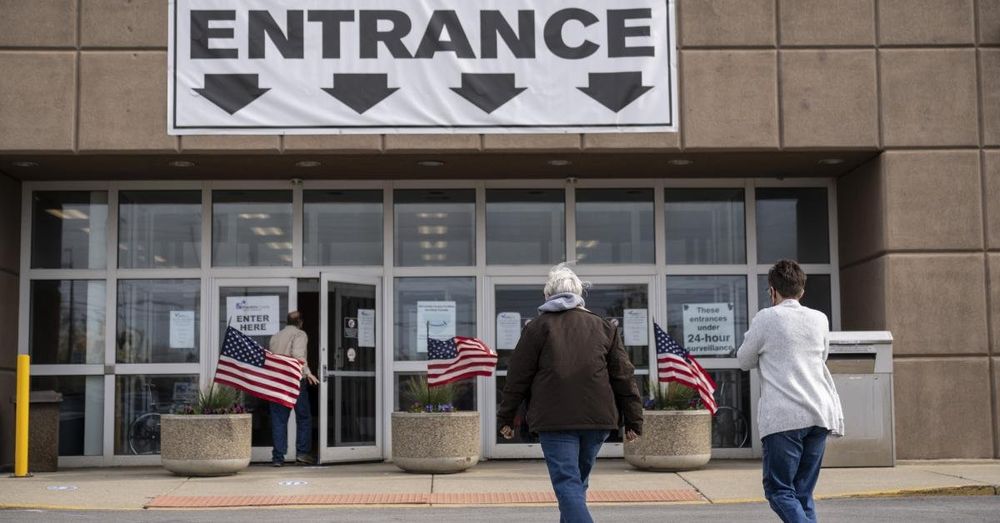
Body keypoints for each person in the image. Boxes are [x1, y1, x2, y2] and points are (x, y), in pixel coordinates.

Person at [498, 264, 643, 523]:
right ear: (579, 294)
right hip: (597, 419)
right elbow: (623, 375)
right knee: (576, 485)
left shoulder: (537, 328)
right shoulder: (604, 327)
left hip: (555, 421)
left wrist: (506, 417)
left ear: (548, 295)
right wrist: (633, 419)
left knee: (568, 484)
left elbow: (517, 377)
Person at [737, 260, 844, 523]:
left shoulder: (766, 318)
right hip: (819, 415)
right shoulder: (820, 319)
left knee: (779, 491)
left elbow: (744, 360)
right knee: (802, 493)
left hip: (784, 419)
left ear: (773, 291)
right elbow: (823, 356)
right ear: (801, 291)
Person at [268, 310, 320, 466]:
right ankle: (302, 454)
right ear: (300, 322)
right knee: (303, 417)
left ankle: (278, 458)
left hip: (277, 381)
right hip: (294, 381)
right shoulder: (300, 334)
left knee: (279, 420)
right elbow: (297, 356)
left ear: (286, 322)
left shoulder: (275, 336)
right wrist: (308, 373)